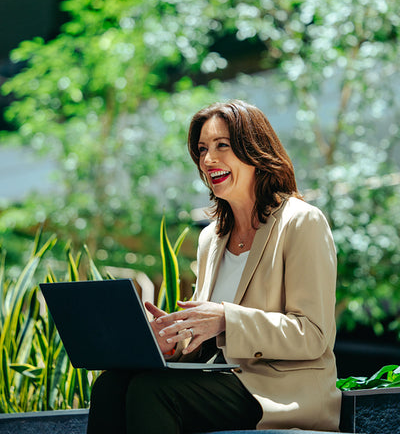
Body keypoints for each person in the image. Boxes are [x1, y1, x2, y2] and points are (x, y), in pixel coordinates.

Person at [87, 99, 341, 433]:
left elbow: (313, 335)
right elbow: (209, 340)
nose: (209, 159)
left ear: (255, 150)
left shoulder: (302, 222)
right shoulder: (212, 238)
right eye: (202, 149)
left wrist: (225, 318)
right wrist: (174, 338)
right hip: (223, 383)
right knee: (110, 386)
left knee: (153, 392)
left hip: (281, 391)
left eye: (222, 145)